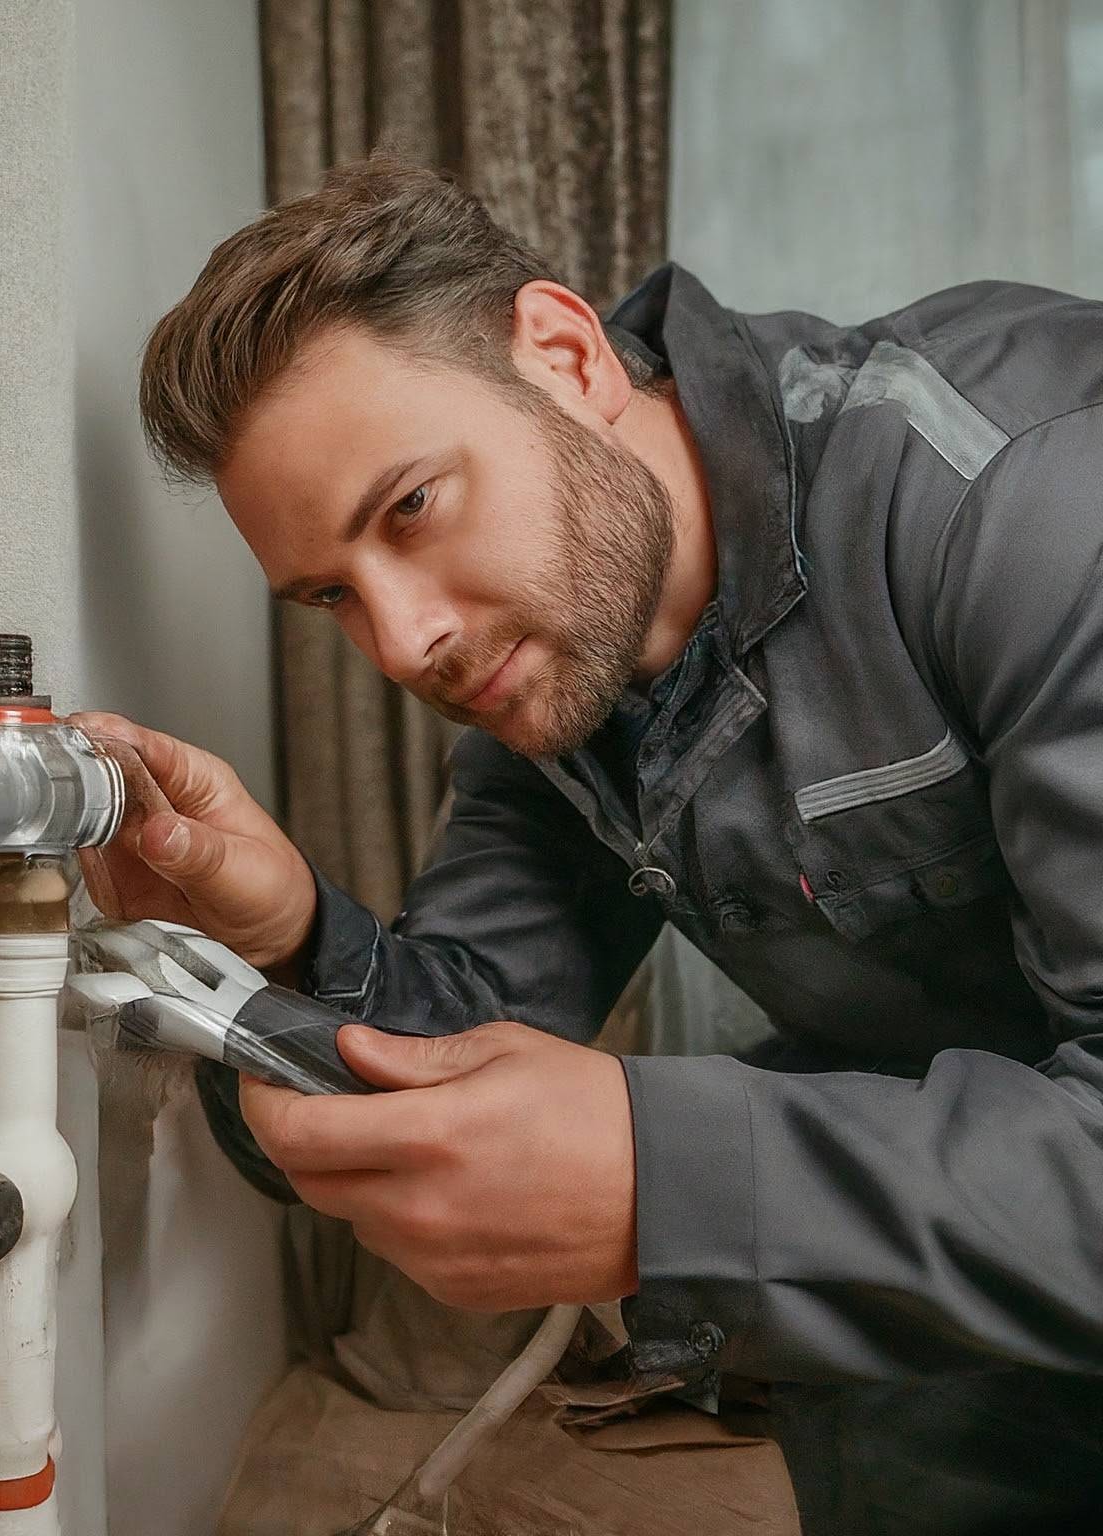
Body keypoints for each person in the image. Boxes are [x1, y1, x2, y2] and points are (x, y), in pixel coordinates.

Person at [74, 157, 1103, 1532]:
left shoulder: (1024, 501)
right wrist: (279, 937)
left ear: (564, 353)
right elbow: (447, 1055)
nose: (403, 643)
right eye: (332, 595)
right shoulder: (549, 694)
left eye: (412, 511)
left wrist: (662, 1174)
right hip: (951, 1318)